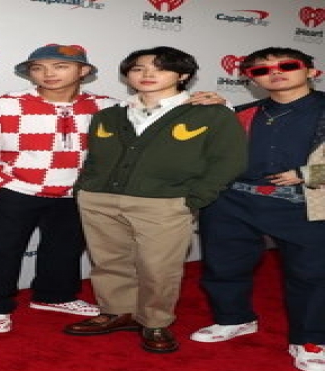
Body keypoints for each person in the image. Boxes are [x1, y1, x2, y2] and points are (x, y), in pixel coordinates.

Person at [62, 46, 247, 353]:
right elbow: (94, 158)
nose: (147, 74)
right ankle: (117, 311)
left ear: (183, 75)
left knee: (159, 267)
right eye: (138, 68)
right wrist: (85, 189)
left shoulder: (211, 113)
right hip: (99, 199)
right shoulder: (108, 115)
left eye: (160, 68)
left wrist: (193, 198)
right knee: (109, 262)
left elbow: (229, 161)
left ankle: (155, 321)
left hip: (165, 203)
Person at [190, 47, 325, 371]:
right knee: (224, 265)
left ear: (311, 71)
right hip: (233, 200)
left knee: (311, 274)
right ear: (251, 80)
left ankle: (310, 339)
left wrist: (309, 173)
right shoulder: (239, 112)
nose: (275, 72)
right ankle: (233, 319)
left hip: (304, 201)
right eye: (261, 70)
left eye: (287, 65)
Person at [0, 44, 111, 334]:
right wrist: (2, 184)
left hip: (76, 192)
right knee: (3, 250)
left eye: (60, 66)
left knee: (66, 248)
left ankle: (55, 296)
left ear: (83, 71)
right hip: (18, 191)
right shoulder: (2, 106)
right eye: (38, 68)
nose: (48, 74)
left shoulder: (108, 107)